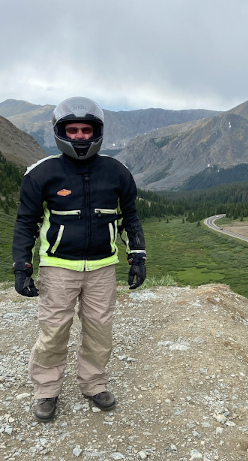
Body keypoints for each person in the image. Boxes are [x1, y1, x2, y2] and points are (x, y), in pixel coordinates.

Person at [12, 96, 146, 422]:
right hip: (58, 268)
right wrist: (22, 267)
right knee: (54, 332)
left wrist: (138, 257)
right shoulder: (41, 174)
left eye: (87, 130)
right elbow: (26, 223)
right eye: (72, 130)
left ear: (97, 131)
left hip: (103, 267)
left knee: (100, 331)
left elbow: (130, 217)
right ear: (60, 132)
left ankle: (93, 383)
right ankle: (46, 392)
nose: (80, 136)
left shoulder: (118, 172)